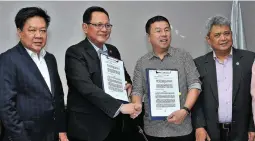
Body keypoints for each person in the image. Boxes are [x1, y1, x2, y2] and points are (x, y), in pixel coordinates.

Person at [65, 6, 139, 141]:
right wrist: (119, 107)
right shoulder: (75, 52)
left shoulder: (113, 51)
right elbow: (85, 87)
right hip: (88, 129)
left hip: (114, 126)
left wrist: (127, 84)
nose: (104, 29)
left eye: (107, 25)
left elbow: (123, 75)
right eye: (99, 25)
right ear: (85, 27)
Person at [0, 7, 68, 141]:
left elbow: (58, 97)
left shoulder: (50, 59)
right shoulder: (8, 59)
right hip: (23, 136)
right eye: (32, 30)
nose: (39, 35)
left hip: (51, 134)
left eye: (43, 30)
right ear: (19, 32)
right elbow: (6, 106)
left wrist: (61, 130)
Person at [131, 15, 201, 141]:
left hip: (182, 128)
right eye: (158, 31)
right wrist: (136, 104)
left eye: (167, 30)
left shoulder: (183, 56)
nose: (164, 34)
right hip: (153, 130)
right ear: (149, 37)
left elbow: (195, 85)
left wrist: (185, 110)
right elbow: (137, 90)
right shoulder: (142, 62)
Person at [192, 15, 255, 141]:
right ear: (208, 39)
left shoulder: (249, 59)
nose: (223, 38)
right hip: (211, 132)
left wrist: (252, 127)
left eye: (227, 33)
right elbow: (196, 99)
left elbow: (253, 97)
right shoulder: (198, 64)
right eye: (217, 35)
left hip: (242, 132)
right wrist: (199, 126)